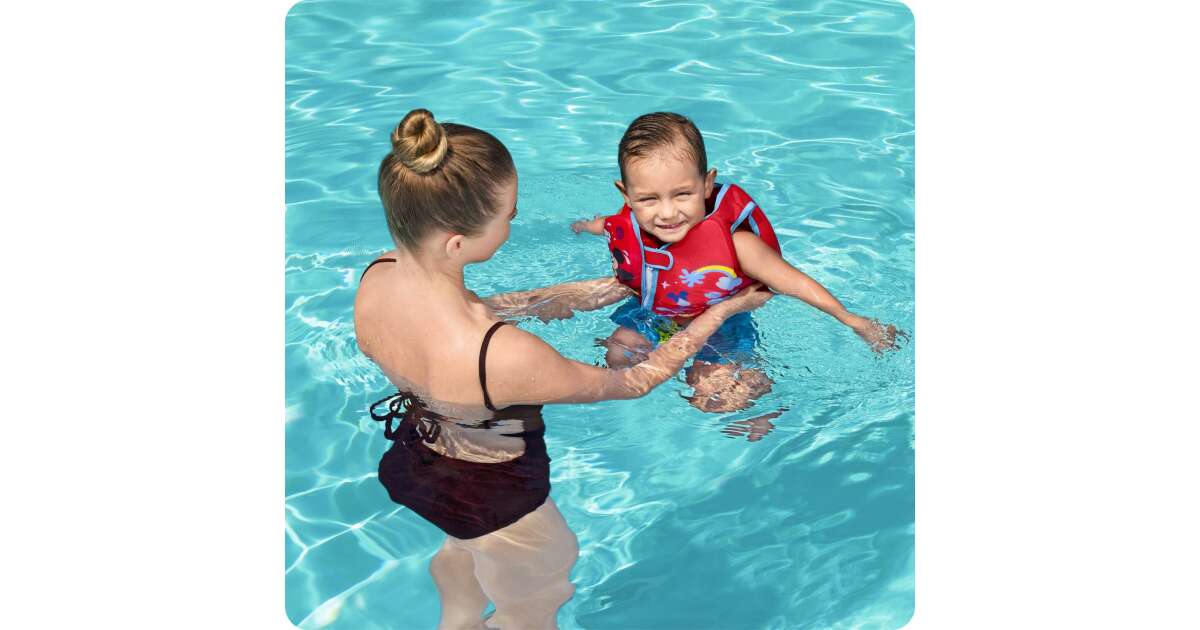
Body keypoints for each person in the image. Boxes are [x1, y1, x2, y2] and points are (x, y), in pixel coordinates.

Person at [354, 108, 771, 630]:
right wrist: (720, 310)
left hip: (417, 463)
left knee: (465, 547)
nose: (511, 224)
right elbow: (635, 381)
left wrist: (618, 286)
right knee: (539, 596)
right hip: (500, 498)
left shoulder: (380, 277)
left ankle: (456, 621)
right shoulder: (502, 354)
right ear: (457, 243)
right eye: (507, 216)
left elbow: (474, 313)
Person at [571, 112, 905, 413]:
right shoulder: (630, 224)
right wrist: (585, 226)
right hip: (654, 313)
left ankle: (760, 391)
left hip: (723, 327)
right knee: (617, 356)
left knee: (713, 398)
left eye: (682, 194)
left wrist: (853, 320)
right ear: (627, 195)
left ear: (706, 184)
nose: (668, 213)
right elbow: (609, 225)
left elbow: (795, 282)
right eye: (649, 199)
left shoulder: (737, 244)